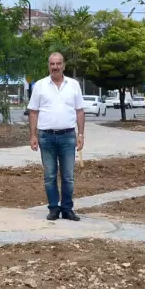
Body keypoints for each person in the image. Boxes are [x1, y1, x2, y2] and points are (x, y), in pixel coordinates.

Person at [28, 52, 85, 221]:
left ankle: (67, 209)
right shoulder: (40, 85)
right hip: (46, 137)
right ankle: (53, 208)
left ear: (64, 66)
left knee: (68, 176)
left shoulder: (74, 85)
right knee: (50, 175)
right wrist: (33, 135)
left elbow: (80, 111)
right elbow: (33, 111)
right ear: (48, 66)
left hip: (68, 136)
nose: (55, 67)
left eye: (58, 63)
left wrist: (80, 134)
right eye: (52, 64)